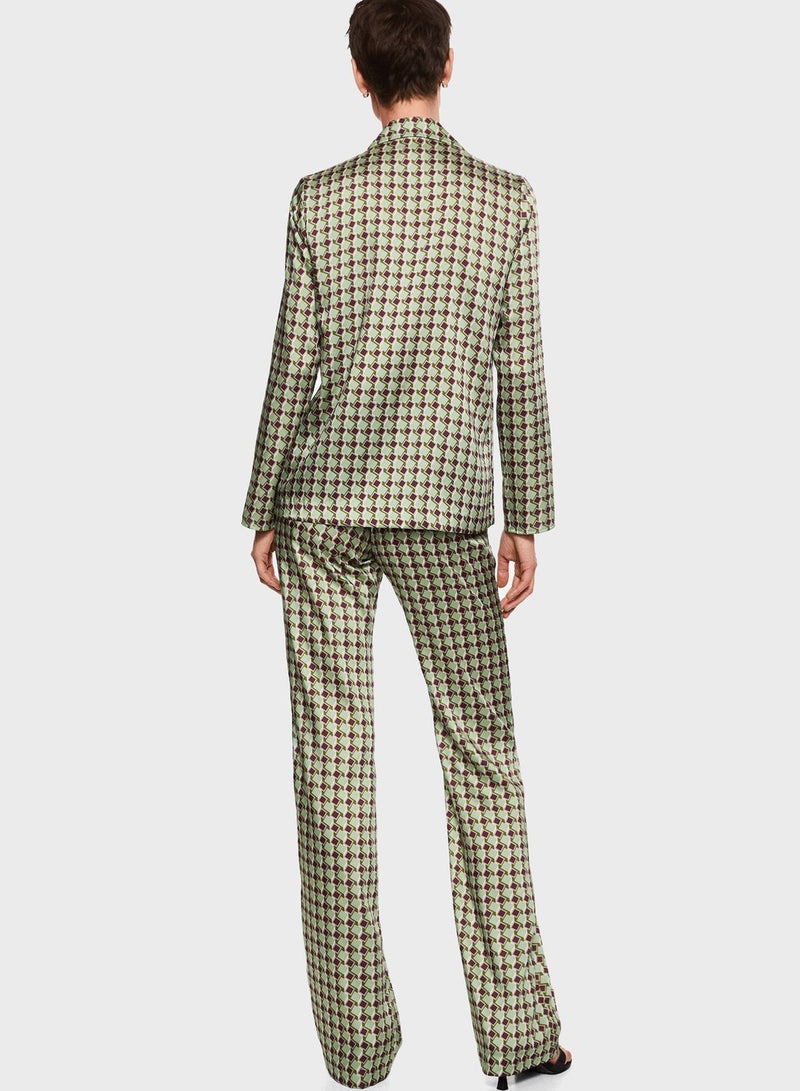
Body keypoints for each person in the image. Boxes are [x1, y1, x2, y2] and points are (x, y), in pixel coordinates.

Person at [241, 1, 572, 1086]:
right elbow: (519, 371)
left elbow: (292, 360)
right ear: (448, 65)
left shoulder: (318, 198)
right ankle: (518, 1039)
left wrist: (262, 501)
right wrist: (525, 514)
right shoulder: (505, 200)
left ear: (358, 75)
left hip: (325, 505)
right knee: (482, 755)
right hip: (443, 506)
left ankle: (356, 1050)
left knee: (331, 767)